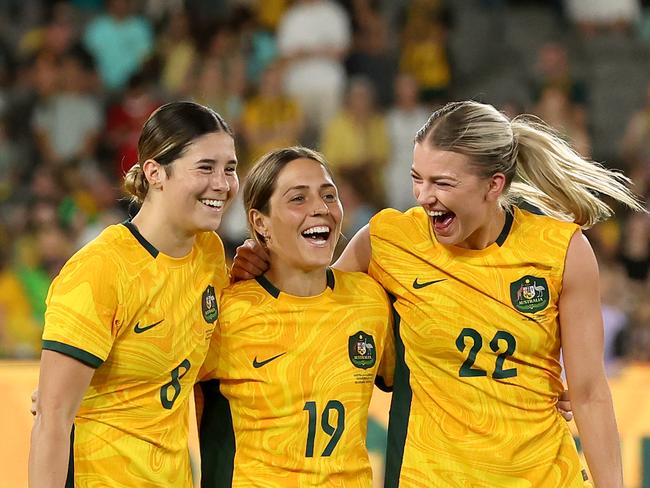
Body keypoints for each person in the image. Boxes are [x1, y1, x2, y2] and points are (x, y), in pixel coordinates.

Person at [232, 101, 646, 487]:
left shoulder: (561, 250)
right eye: (417, 178)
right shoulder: (391, 239)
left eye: (442, 182)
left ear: (493, 185)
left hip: (542, 475)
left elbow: (590, 394)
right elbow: (314, 301)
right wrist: (265, 256)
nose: (424, 196)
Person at [29, 101, 239, 487]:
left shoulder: (209, 253)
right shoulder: (100, 269)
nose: (223, 184)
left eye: (230, 168)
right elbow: (52, 419)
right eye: (206, 167)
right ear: (155, 172)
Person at [197, 146, 394, 486]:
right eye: (298, 199)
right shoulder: (228, 313)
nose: (320, 208)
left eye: (329, 195)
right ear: (260, 222)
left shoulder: (370, 300)